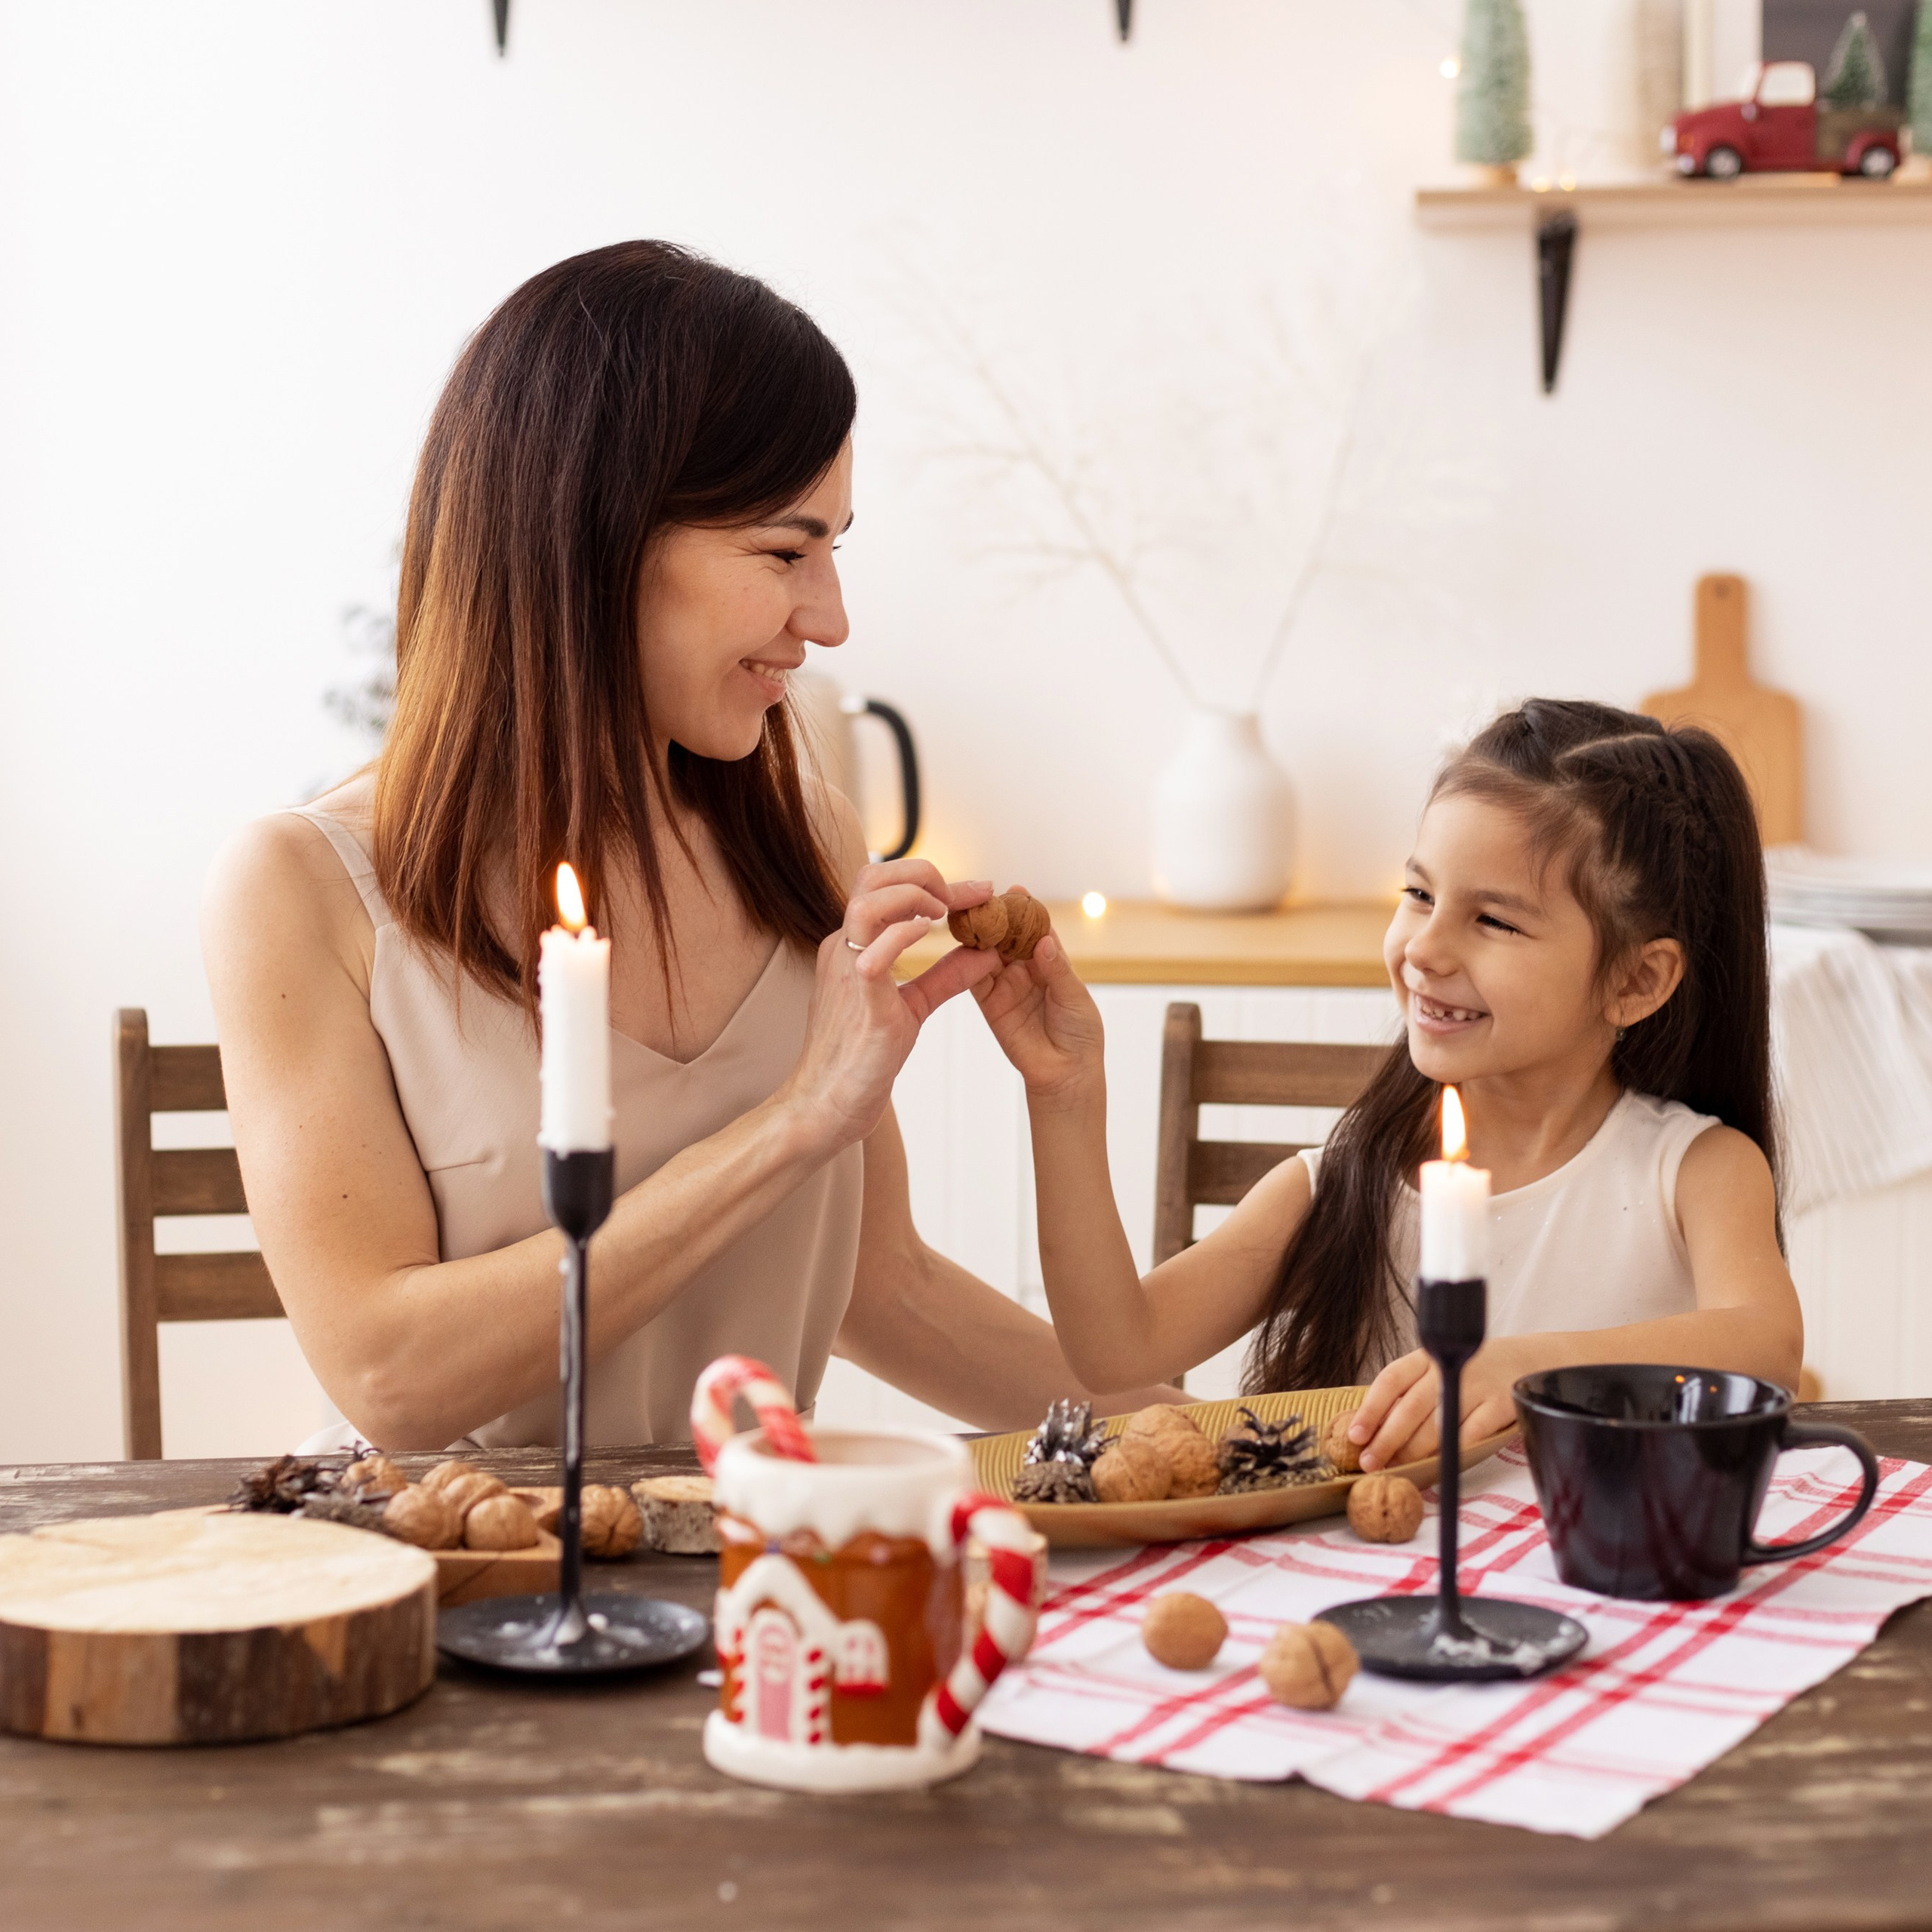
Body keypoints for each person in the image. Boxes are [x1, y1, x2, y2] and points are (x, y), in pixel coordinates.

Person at [203, 240, 1166, 1453]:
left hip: (769, 1590)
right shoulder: (303, 891)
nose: (829, 617)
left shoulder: (798, 836)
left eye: (835, 548)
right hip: (485, 1609)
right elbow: (392, 1377)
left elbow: (889, 1290)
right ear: (594, 539)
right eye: (783, 552)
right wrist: (792, 1124)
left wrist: (1219, 1438)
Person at [974, 699, 1803, 1470]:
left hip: (1609, 1597)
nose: (1424, 948)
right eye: (1417, 893)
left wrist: (1520, 1368)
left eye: (1493, 920)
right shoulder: (1345, 1181)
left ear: (1635, 981)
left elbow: (1765, 1339)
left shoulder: (1695, 1169)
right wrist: (1064, 1095)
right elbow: (1116, 1347)